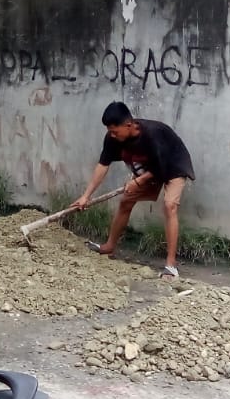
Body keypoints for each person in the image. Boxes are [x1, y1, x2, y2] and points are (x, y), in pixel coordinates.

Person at [69, 101, 195, 279]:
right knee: (126, 201)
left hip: (173, 165)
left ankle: (171, 264)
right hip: (149, 169)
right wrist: (85, 196)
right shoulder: (113, 139)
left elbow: (162, 167)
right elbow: (103, 165)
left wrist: (138, 181)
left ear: (128, 125)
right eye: (109, 131)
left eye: (115, 131)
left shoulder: (153, 135)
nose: (112, 135)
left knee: (170, 205)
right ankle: (109, 246)